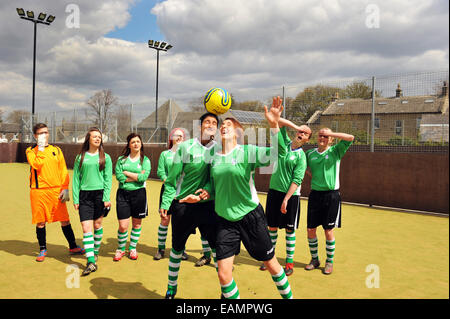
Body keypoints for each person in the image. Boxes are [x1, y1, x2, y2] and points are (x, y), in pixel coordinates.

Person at [207, 97, 293, 299]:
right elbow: (214, 186)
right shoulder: (214, 158)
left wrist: (273, 126)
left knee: (271, 264)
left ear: (238, 133)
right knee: (223, 273)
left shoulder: (247, 152)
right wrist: (205, 192)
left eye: (229, 124)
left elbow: (278, 153)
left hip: (250, 218)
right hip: (225, 221)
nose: (224, 127)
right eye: (223, 125)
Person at [159, 113, 220, 299]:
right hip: (184, 205)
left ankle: (226, 290)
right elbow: (172, 179)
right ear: (200, 126)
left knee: (219, 249)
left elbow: (217, 179)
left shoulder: (219, 150)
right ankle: (171, 287)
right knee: (177, 248)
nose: (210, 125)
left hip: (208, 205)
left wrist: (207, 191)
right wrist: (166, 202)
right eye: (207, 122)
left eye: (214, 123)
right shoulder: (185, 147)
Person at [26, 123, 84, 262]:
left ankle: (72, 246)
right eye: (40, 133)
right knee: (40, 222)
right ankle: (42, 249)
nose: (44, 135)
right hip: (39, 191)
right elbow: (37, 165)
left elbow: (63, 170)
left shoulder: (56, 150)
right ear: (35, 135)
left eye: (46, 132)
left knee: (65, 220)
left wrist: (65, 188)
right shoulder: (30, 151)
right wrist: (40, 148)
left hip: (56, 191)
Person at [260, 118, 311, 276]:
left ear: (308, 139)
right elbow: (278, 122)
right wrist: (297, 126)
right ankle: (270, 258)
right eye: (300, 131)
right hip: (274, 192)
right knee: (272, 227)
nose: (301, 134)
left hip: (291, 197)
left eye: (305, 133)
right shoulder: (284, 143)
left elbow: (297, 180)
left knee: (289, 230)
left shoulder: (301, 157)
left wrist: (287, 199)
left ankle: (289, 262)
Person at [304, 127, 354, 275]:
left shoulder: (336, 151)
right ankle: (314, 259)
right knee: (310, 230)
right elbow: (302, 167)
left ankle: (329, 262)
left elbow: (350, 137)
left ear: (331, 139)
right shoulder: (310, 154)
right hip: (315, 196)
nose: (323, 138)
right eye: (320, 135)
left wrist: (330, 133)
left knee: (328, 230)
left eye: (326, 136)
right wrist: (311, 175)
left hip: (331, 196)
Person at [72, 127, 112, 276]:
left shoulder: (105, 157)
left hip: (99, 195)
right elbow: (76, 179)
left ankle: (95, 252)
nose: (97, 139)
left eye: (99, 137)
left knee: (97, 225)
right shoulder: (80, 157)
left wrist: (106, 197)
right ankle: (91, 262)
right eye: (94, 136)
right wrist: (76, 198)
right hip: (84, 197)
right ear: (88, 139)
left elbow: (108, 179)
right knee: (86, 227)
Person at [113, 133, 151, 261]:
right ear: (129, 145)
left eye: (138, 141)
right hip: (123, 194)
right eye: (133, 142)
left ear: (141, 144)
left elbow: (143, 178)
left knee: (136, 224)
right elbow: (119, 176)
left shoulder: (145, 160)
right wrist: (135, 177)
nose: (136, 144)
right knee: (123, 226)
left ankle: (133, 248)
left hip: (139, 194)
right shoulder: (121, 160)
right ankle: (121, 249)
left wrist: (127, 173)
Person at [154, 128, 188, 261]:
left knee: (180, 222)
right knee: (164, 220)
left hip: (182, 192)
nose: (179, 138)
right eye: (176, 135)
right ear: (171, 138)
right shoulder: (164, 154)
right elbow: (160, 171)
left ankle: (181, 250)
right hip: (168, 190)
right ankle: (161, 249)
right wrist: (168, 181)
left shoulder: (187, 155)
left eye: (181, 136)